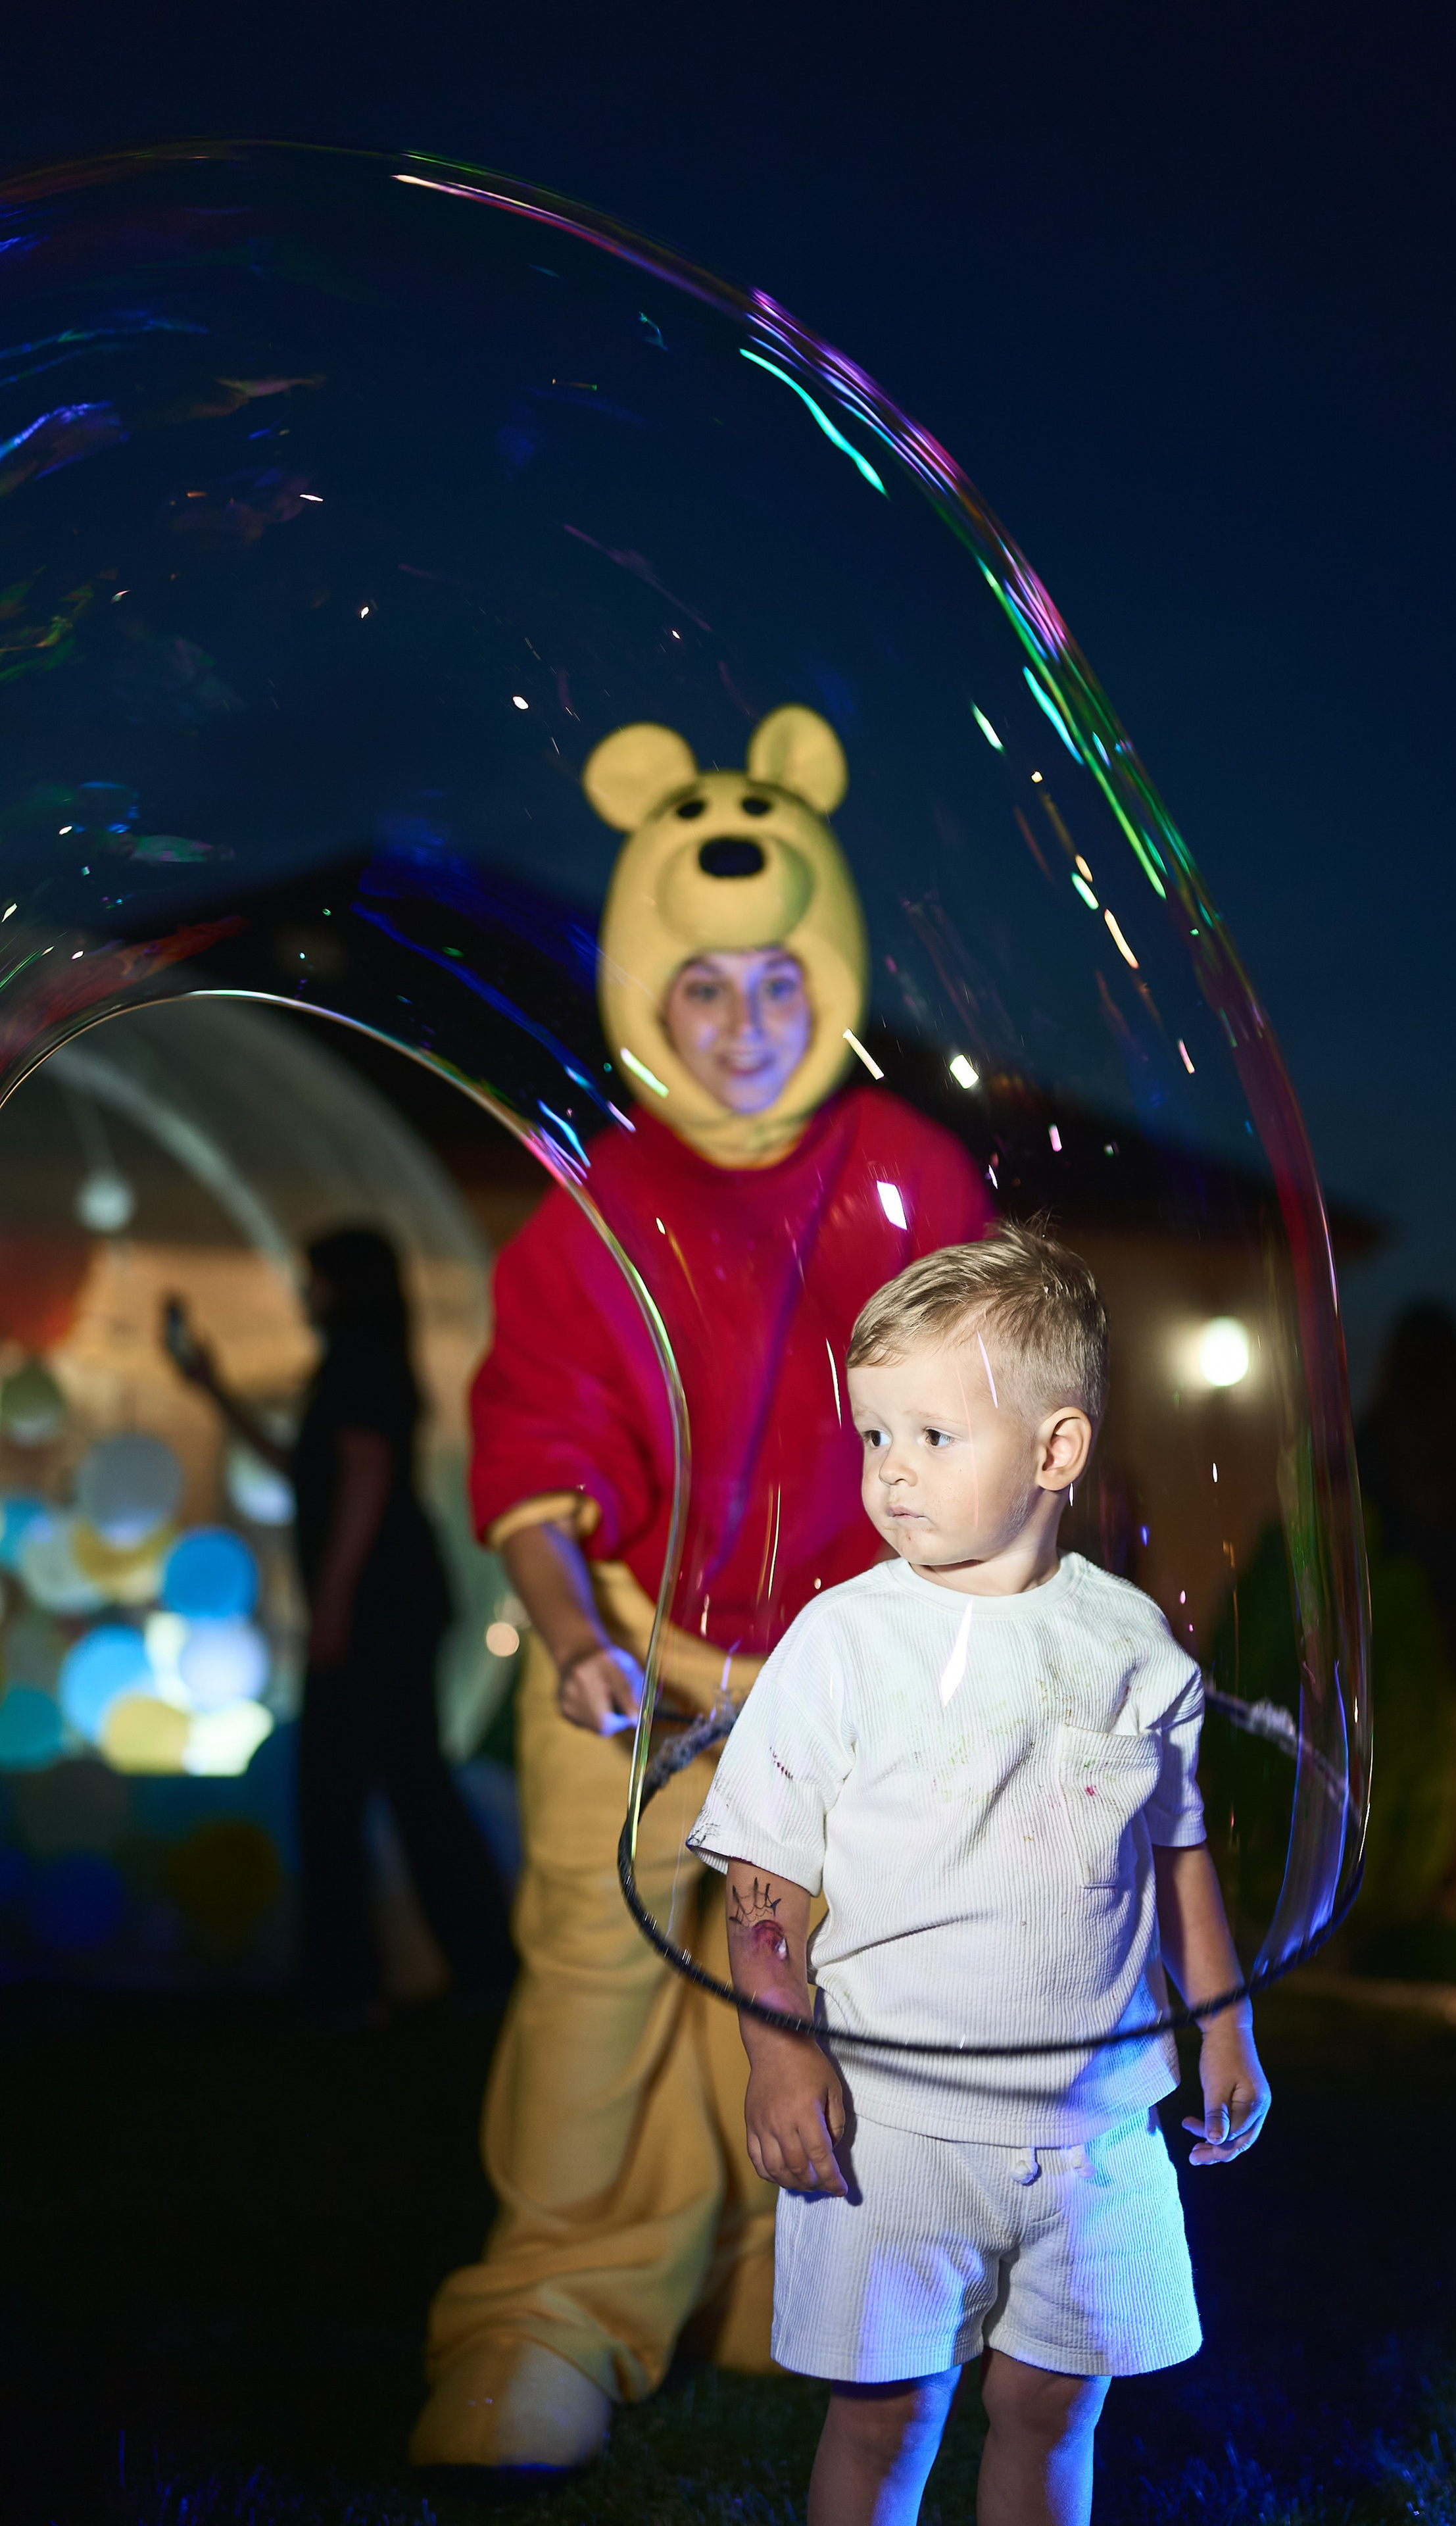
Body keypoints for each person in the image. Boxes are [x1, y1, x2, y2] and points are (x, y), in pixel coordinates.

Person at [412, 705, 994, 2471]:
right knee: (600, 1993)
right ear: (645, 992)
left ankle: (777, 2280)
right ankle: (547, 2316)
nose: (743, 1024)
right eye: (703, 986)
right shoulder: (597, 1197)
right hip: (638, 1653)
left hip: (848, 1674)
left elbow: (979, 1423)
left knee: (823, 1989)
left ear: (831, 973)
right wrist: (575, 1634)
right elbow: (536, 1436)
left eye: (775, 981)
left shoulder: (909, 1174)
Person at [687, 1222, 1270, 2526]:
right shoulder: (842, 1644)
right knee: (885, 2412)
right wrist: (780, 2051)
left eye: (933, 1436)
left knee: (1053, 2404)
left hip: (1095, 2123)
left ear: (1055, 1451)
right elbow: (764, 1875)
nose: (890, 1471)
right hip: (891, 2125)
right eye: (874, 1436)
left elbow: (1173, 1855)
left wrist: (1224, 2026)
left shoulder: (1130, 1647)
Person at [166, 1227, 515, 2012]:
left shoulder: (359, 1363)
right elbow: (309, 1469)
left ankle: (347, 1978)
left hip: (380, 1610)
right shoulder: (366, 1363)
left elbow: (364, 1475)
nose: (306, 1291)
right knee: (411, 1782)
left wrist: (333, 1603)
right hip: (396, 1604)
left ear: (344, 1286)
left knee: (338, 1787)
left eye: (315, 1277)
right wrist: (214, 1390)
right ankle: (475, 1966)